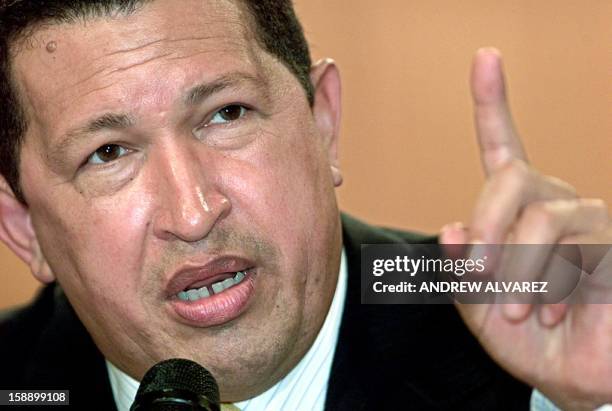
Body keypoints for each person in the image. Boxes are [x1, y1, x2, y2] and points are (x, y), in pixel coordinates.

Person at [0, 0, 609, 410]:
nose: (193, 213)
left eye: (226, 114)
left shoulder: (496, 312)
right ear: (24, 226)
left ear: (324, 122)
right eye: (108, 153)